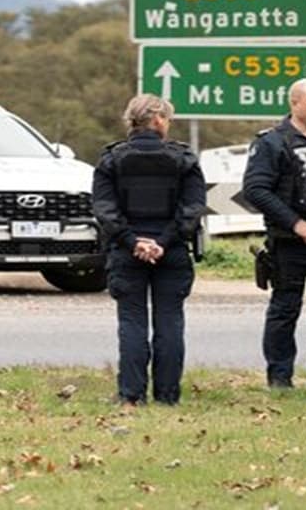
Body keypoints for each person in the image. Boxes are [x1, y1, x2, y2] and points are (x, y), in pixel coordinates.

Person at [92, 94, 207, 406]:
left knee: (132, 322)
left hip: (126, 252)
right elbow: (193, 207)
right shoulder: (183, 159)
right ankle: (168, 396)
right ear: (157, 119)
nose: (168, 124)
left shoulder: (112, 160)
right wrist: (164, 241)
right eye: (167, 118)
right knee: (170, 321)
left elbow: (104, 209)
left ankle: (131, 395)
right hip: (171, 252)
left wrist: (133, 241)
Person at [243, 79, 306, 390]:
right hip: (291, 243)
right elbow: (256, 190)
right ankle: (280, 377)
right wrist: (295, 223)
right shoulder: (272, 142)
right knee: (284, 310)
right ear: (296, 104)